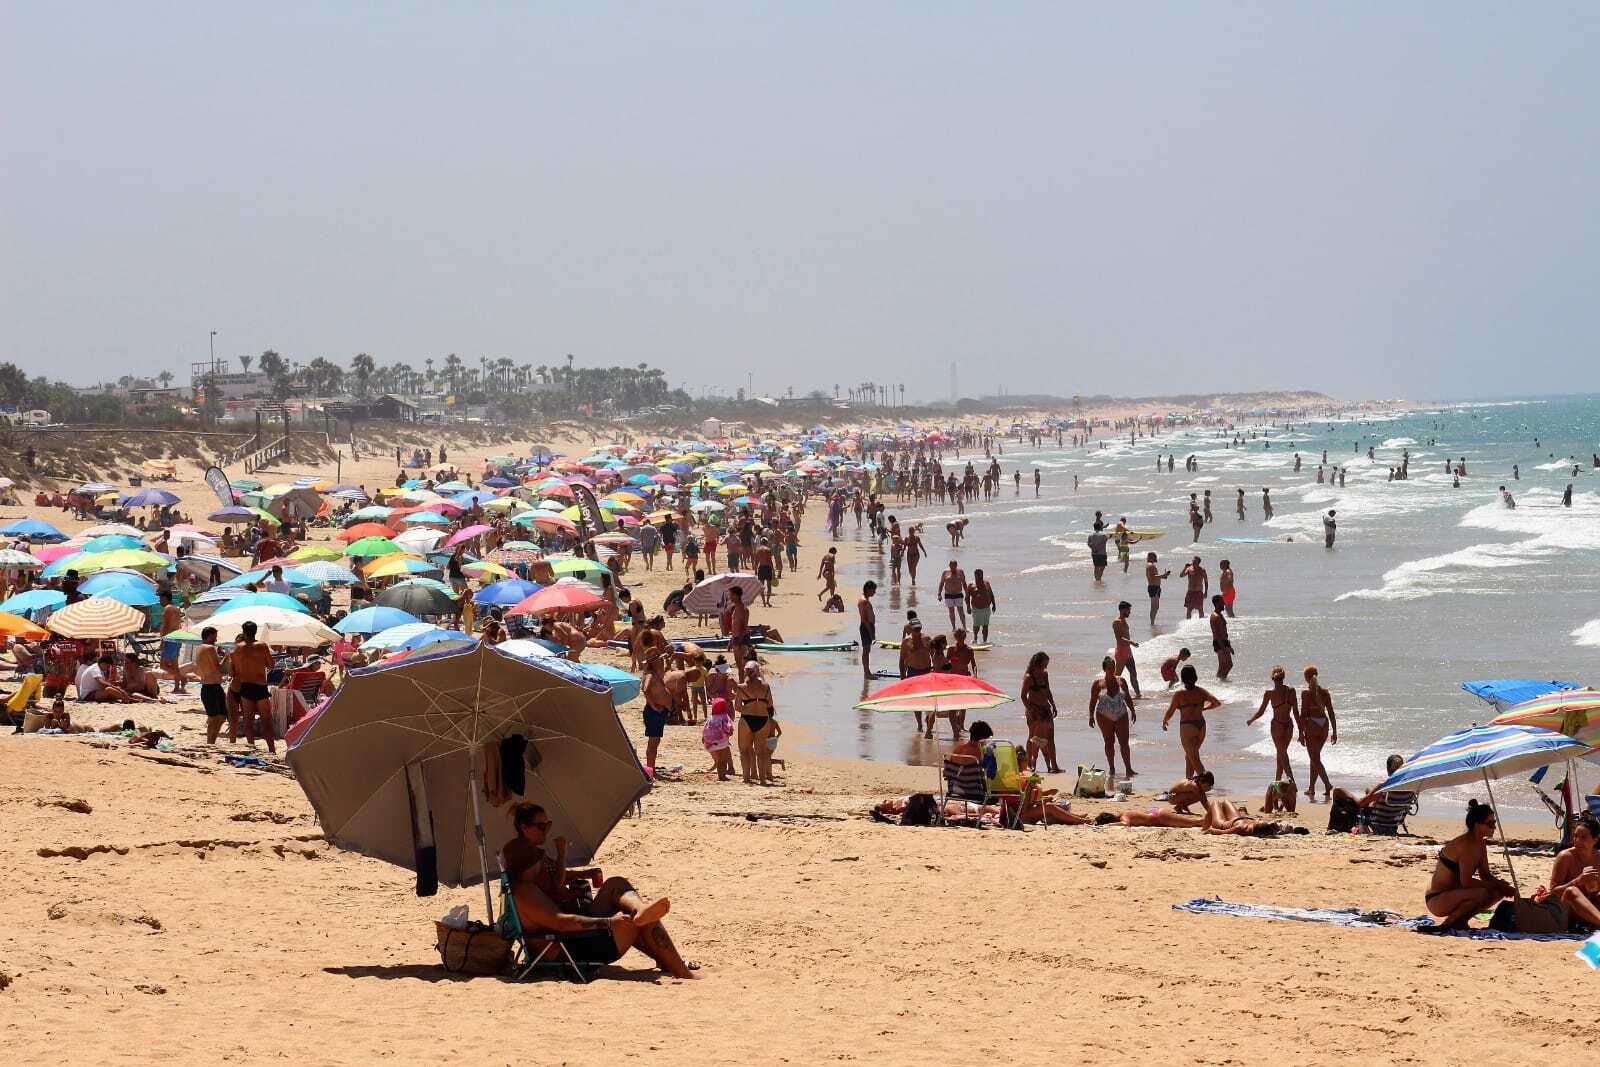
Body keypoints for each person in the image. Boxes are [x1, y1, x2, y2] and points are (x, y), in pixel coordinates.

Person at [503, 802, 693, 978]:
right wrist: (610, 922)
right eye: (542, 826)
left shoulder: (522, 883)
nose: (546, 831)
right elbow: (561, 922)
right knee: (634, 923)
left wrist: (584, 875)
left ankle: (642, 914)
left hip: (565, 940)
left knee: (617, 887)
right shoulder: (526, 892)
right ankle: (681, 971)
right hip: (565, 951)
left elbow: (557, 908)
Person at [1422, 800, 1515, 931]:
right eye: (1490, 823)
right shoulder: (1467, 844)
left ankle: (1460, 922)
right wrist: (1498, 885)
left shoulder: (1480, 843)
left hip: (1453, 894)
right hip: (1437, 899)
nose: (1494, 827)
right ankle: (1447, 924)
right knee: (1481, 892)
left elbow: (1485, 875)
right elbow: (1466, 882)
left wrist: (1503, 886)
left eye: (1494, 823)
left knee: (1497, 891)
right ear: (1477, 825)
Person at [1161, 664, 1222, 779]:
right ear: (1195, 676)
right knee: (1190, 756)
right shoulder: (1201, 692)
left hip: (1188, 727)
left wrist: (1165, 721)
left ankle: (1206, 784)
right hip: (1201, 727)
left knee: (1194, 758)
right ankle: (1188, 781)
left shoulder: (1179, 694)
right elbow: (1217, 703)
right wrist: (1204, 708)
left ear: (1183, 678)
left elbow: (1170, 712)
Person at [1548, 811, 1600, 933]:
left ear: (1596, 839)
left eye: (1583, 837)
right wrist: (1578, 881)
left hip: (1589, 909)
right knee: (1572, 891)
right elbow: (1553, 892)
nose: (1577, 841)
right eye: (1575, 836)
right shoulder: (1565, 857)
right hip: (1566, 910)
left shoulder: (1598, 858)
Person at [231, 620, 277, 754]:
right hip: (260, 687)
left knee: (248, 721)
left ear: (243, 632)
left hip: (245, 686)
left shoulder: (236, 649)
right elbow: (271, 665)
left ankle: (252, 748)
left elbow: (233, 672)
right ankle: (272, 750)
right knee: (266, 721)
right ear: (256, 631)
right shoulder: (262, 646)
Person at [1088, 655, 1136, 780]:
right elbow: (1092, 701)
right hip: (1104, 716)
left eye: (1113, 667)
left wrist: (1133, 710)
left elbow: (1127, 697)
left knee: (1124, 742)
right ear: (1104, 669)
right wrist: (1090, 716)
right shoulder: (1098, 684)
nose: (1112, 670)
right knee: (1109, 742)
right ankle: (1112, 768)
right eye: (1109, 668)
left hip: (1121, 714)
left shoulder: (1121, 681)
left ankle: (1128, 768)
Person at [1247, 666, 1298, 781]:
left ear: (1273, 679)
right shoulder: (1291, 691)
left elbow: (1261, 711)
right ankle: (1277, 782)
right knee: (1281, 754)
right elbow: (1296, 712)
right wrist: (1300, 730)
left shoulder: (1269, 693)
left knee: (1282, 755)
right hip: (1289, 725)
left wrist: (1251, 720)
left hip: (1277, 726)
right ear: (1283, 678)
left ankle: (1291, 781)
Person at [734, 661, 778, 786]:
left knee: (744, 750)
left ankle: (746, 778)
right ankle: (763, 779)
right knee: (761, 752)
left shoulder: (741, 687)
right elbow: (770, 704)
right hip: (763, 719)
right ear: (757, 671)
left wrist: (748, 709)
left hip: (747, 719)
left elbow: (737, 707)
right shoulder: (766, 686)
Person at [1300, 665, 1338, 801]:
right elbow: (1331, 712)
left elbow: (1303, 714)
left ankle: (1327, 784)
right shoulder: (1325, 692)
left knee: (1314, 758)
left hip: (1312, 726)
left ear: (1306, 678)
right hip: (1324, 725)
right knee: (1315, 758)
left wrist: (1300, 732)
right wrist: (1334, 731)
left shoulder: (1305, 693)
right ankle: (1311, 788)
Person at [1021, 652, 1061, 774]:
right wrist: (1030, 710)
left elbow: (1047, 690)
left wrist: (1053, 704)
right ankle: (1030, 764)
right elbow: (1023, 696)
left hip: (1046, 708)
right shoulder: (1029, 677)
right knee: (1033, 737)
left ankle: (1054, 766)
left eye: (1046, 665)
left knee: (1050, 737)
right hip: (1034, 709)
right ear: (1037, 664)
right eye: (1044, 665)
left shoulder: (1044, 675)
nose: (1045, 668)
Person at [194, 626, 228, 744]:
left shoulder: (199, 648)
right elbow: (219, 667)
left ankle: (210, 741)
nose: (216, 639)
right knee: (219, 717)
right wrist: (226, 656)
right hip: (213, 686)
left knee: (215, 717)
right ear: (209, 636)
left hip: (207, 686)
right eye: (214, 636)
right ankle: (210, 741)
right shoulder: (210, 648)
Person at [1111, 600, 1141, 696]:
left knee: (1133, 674)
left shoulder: (1124, 620)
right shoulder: (1117, 622)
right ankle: (1110, 693)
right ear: (1123, 610)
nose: (1130, 612)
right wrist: (1131, 642)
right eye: (1128, 610)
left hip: (1128, 651)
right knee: (1116, 676)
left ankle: (1138, 694)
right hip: (1121, 652)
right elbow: (1119, 638)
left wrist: (1130, 644)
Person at [702, 696, 735, 781]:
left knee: (718, 760)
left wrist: (705, 740)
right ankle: (722, 776)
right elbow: (729, 728)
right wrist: (729, 733)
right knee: (723, 761)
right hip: (721, 742)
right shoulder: (725, 717)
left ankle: (720, 775)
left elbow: (705, 730)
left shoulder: (710, 718)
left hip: (710, 743)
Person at [967, 569, 996, 644]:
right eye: (978, 575)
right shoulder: (971, 585)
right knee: (976, 626)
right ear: (975, 575)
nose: (980, 576)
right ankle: (975, 639)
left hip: (986, 608)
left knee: (985, 626)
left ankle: (985, 641)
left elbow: (991, 594)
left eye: (981, 574)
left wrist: (994, 605)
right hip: (976, 609)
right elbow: (967, 597)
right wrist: (968, 607)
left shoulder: (986, 583)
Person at [1209, 595, 1233, 680]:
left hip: (1224, 642)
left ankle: (1222, 681)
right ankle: (1220, 681)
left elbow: (1224, 632)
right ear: (1217, 603)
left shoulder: (1220, 615)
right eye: (1222, 602)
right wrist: (1223, 647)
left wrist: (1229, 645)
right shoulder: (1215, 616)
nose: (1224, 603)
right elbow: (1216, 634)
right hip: (1220, 643)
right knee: (1226, 664)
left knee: (1227, 665)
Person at [939, 559, 967, 632]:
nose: (953, 568)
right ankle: (954, 627)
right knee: (951, 611)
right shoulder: (945, 572)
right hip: (948, 594)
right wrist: (939, 594)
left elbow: (964, 583)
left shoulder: (960, 572)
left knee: (961, 611)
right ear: (949, 566)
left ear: (956, 566)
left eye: (954, 566)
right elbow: (941, 583)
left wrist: (967, 594)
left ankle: (964, 627)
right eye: (951, 566)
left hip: (958, 593)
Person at [857, 581, 877, 679]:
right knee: (866, 650)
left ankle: (867, 672)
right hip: (866, 627)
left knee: (867, 650)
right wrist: (871, 632)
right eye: (873, 590)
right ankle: (867, 672)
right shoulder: (864, 601)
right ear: (868, 589)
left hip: (868, 626)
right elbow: (864, 619)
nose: (874, 592)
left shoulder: (865, 600)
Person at [1145, 552, 1169, 626]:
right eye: (1154, 557)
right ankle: (1152, 623)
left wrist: (1163, 576)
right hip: (1153, 587)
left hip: (1155, 587)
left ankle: (1153, 622)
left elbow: (1154, 576)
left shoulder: (1152, 565)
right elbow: (1152, 576)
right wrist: (1162, 575)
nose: (1156, 558)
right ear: (1151, 557)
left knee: (1156, 607)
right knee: (1154, 606)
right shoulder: (1150, 566)